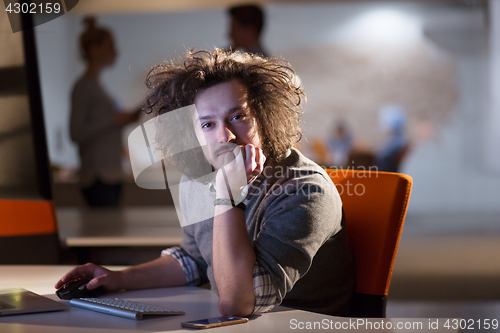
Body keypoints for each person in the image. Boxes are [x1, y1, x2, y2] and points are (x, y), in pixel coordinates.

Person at [56, 49, 355, 317]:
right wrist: (118, 279)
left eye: (238, 116)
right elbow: (195, 260)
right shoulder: (199, 178)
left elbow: (238, 302)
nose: (224, 137)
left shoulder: (304, 190)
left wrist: (227, 193)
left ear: (264, 118)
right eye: (207, 124)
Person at [70, 17, 140, 207]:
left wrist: (122, 120)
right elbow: (75, 133)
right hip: (98, 176)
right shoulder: (84, 87)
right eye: (110, 46)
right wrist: (114, 121)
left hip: (108, 174)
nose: (115, 52)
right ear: (94, 50)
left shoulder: (96, 86)